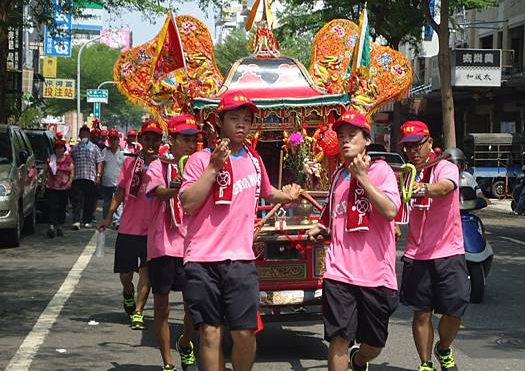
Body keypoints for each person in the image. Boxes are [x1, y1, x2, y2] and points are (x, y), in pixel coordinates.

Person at [180, 92, 302, 371]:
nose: (241, 125)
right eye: (234, 118)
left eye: (246, 120)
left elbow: (267, 193)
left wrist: (288, 195)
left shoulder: (255, 161)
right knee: (210, 333)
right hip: (202, 259)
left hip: (240, 260)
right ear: (219, 122)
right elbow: (188, 203)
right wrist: (213, 168)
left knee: (245, 333)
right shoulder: (200, 160)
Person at [306, 110, 401, 371]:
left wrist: (363, 178)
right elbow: (332, 213)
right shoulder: (338, 176)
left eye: (352, 135)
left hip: (376, 276)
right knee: (338, 338)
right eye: (342, 136)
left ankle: (359, 360)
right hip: (339, 272)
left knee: (374, 344)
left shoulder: (381, 171)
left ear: (367, 140)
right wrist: (321, 227)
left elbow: (391, 211)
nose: (345, 141)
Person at [399, 121, 469, 371]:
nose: (413, 151)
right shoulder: (406, 173)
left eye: (417, 145)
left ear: (429, 142)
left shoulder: (444, 166)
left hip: (448, 251)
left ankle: (443, 348)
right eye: (407, 147)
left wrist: (423, 188)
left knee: (455, 309)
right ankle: (425, 363)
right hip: (417, 253)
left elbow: (445, 188)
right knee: (421, 313)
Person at [145, 114, 200, 371]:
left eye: (195, 140)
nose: (191, 145)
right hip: (163, 245)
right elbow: (157, 193)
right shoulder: (159, 166)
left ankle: (186, 341)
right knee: (162, 307)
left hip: (191, 245)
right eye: (186, 140)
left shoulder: (200, 165)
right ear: (172, 140)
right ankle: (167, 361)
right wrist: (176, 187)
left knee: (193, 306)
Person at [99, 120, 163, 330]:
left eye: (155, 139)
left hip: (152, 230)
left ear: (161, 141)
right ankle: (127, 292)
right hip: (128, 227)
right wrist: (109, 216)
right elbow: (119, 192)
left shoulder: (164, 165)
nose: (151, 143)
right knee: (126, 275)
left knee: (146, 273)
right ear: (141, 140)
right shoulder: (129, 163)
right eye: (148, 138)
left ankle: (138, 312)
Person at [70, 125, 103, 230]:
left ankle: (87, 220)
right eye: (82, 134)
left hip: (90, 177)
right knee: (77, 200)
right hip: (77, 177)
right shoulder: (74, 148)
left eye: (86, 134)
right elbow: (70, 162)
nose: (84, 135)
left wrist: (98, 175)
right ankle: (76, 220)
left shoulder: (94, 147)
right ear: (79, 135)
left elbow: (99, 162)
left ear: (89, 136)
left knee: (90, 200)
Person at [42, 139, 74, 238]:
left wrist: (70, 182)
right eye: (57, 148)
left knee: (62, 207)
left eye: (61, 148)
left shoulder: (68, 159)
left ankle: (59, 226)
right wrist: (43, 184)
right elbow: (44, 172)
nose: (59, 150)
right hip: (52, 187)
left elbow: (72, 173)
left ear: (64, 149)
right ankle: (51, 226)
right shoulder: (51, 159)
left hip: (64, 188)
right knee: (52, 206)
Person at [101, 130, 125, 227]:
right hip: (106, 182)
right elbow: (102, 165)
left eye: (115, 139)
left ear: (118, 140)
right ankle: (106, 219)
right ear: (109, 140)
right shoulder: (105, 151)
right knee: (107, 203)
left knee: (118, 203)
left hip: (119, 182)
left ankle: (117, 222)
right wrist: (99, 176)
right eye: (112, 139)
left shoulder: (124, 153)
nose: (114, 141)